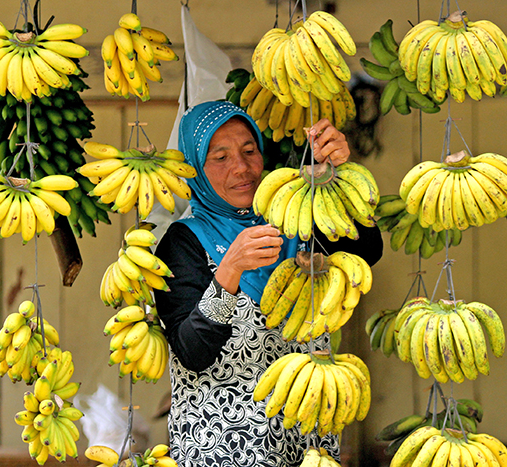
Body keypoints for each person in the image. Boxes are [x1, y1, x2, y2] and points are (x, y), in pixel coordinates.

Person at [154, 100, 383, 467]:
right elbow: (191, 353)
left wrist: (335, 178)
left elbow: (366, 251)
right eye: (220, 158)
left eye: (249, 151)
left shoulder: (295, 218)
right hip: (223, 449)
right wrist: (229, 269)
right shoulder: (182, 242)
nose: (242, 168)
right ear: (195, 167)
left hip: (307, 442)